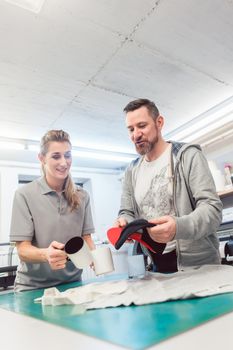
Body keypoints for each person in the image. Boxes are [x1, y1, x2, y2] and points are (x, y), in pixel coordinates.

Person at [115, 98, 222, 273]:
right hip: (156, 266)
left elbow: (212, 209)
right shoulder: (131, 171)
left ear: (159, 122)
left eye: (142, 126)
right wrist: (124, 224)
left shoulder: (187, 156)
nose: (136, 134)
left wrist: (178, 227)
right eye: (131, 129)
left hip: (197, 266)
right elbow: (126, 212)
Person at [10, 130, 95, 292]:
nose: (64, 162)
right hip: (32, 287)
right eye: (56, 156)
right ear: (42, 158)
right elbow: (23, 250)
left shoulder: (82, 195)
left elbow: (86, 238)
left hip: (73, 284)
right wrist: (45, 254)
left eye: (68, 155)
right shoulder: (24, 194)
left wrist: (96, 257)